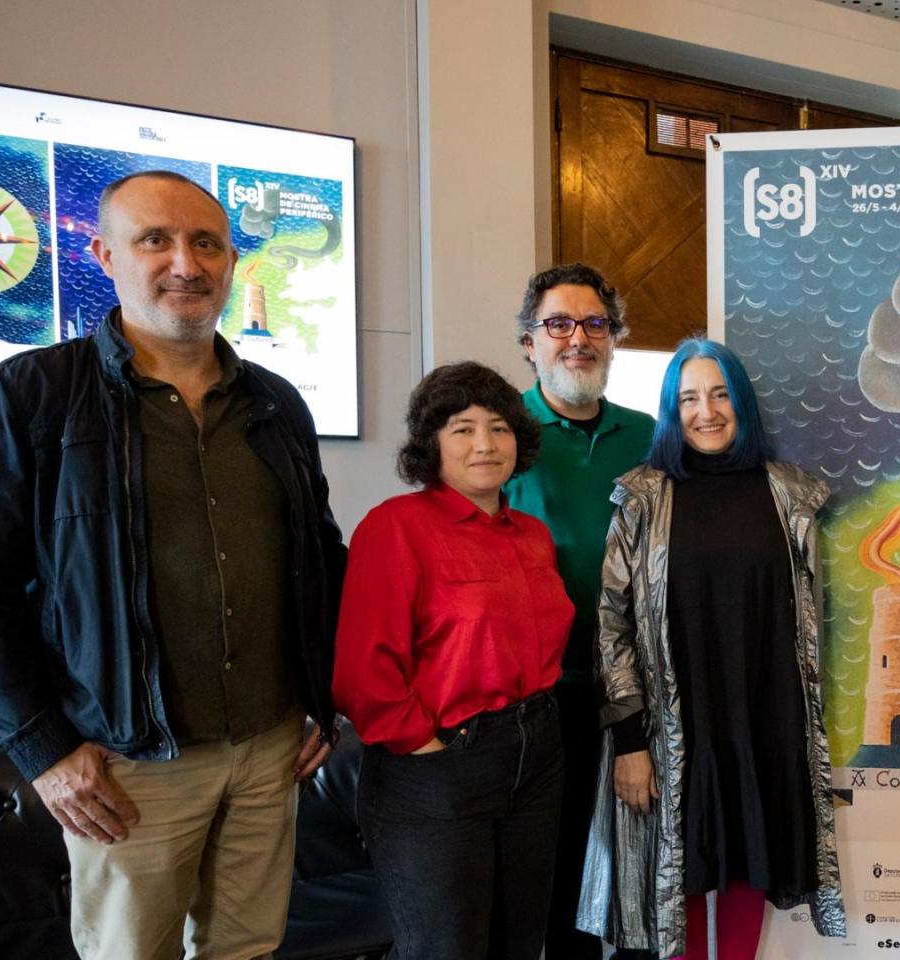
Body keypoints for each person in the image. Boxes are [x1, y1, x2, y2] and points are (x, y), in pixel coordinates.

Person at [0, 170, 346, 958]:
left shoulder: (277, 403)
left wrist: (326, 698)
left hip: (270, 749)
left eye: (206, 243)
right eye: (156, 239)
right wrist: (42, 750)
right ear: (105, 255)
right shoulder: (33, 394)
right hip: (127, 766)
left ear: (230, 261)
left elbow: (319, 558)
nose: (186, 263)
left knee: (248, 950)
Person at [576, 338, 846, 959]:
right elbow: (611, 624)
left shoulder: (789, 494)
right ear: (671, 411)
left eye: (721, 394)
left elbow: (809, 615)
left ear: (743, 403)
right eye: (689, 398)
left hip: (765, 722)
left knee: (753, 862)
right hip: (674, 728)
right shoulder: (643, 498)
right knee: (683, 877)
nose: (706, 411)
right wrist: (629, 741)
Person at [332, 361, 575, 960]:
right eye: (463, 429)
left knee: (521, 944)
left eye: (499, 428)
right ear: (431, 444)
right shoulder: (396, 527)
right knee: (446, 948)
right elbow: (363, 673)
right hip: (439, 763)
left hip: (536, 756)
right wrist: (428, 751)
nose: (485, 444)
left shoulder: (532, 535)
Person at [500, 263, 655, 960]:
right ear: (529, 342)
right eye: (558, 324)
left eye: (595, 324)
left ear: (614, 339)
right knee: (560, 879)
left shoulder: (649, 437)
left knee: (640, 868)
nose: (578, 339)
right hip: (537, 695)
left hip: (638, 692)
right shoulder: (499, 436)